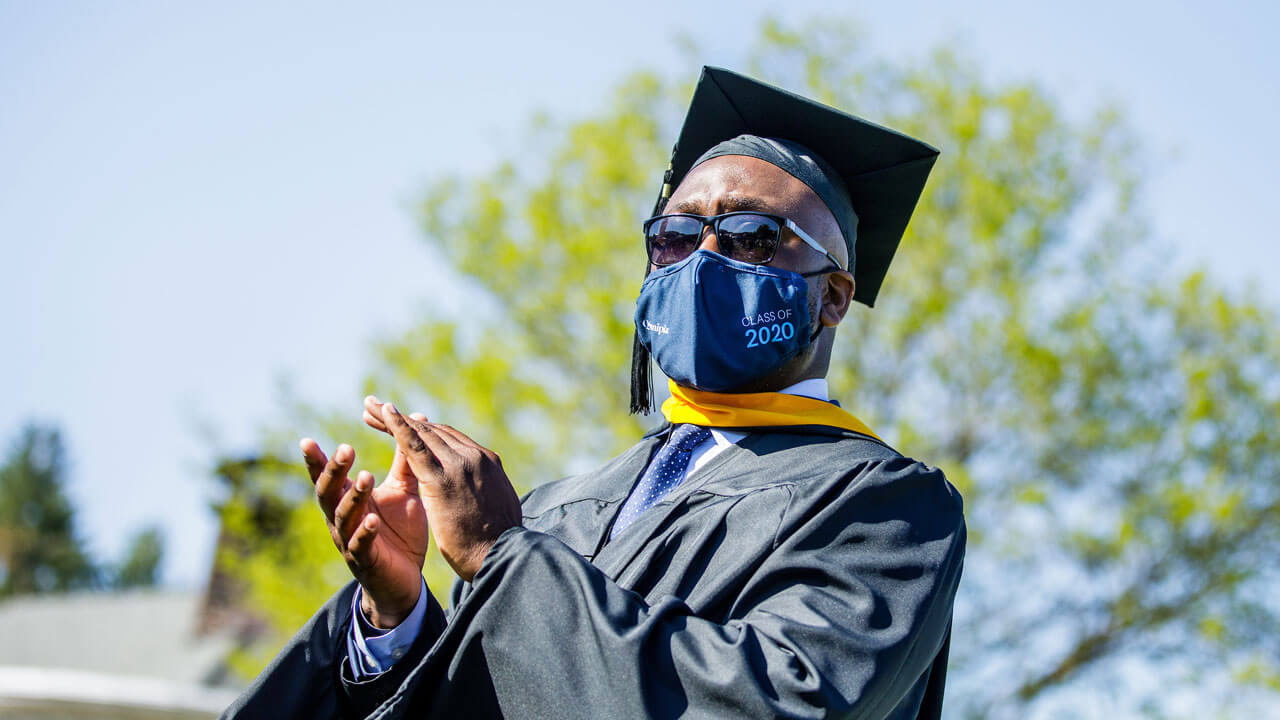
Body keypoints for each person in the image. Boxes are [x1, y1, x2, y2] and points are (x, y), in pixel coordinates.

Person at [222, 66, 965, 720]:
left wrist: (501, 556)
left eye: (749, 235)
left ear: (833, 296)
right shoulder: (556, 509)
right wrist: (398, 615)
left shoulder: (886, 509)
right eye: (675, 236)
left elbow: (777, 702)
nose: (703, 257)